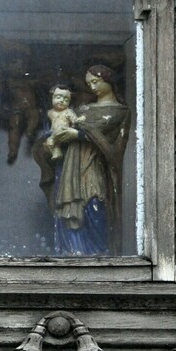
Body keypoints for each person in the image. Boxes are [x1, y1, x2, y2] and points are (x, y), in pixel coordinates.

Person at [33, 65, 130, 256]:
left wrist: (79, 134)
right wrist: (50, 143)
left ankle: (97, 255)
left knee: (95, 206)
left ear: (108, 81)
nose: (92, 87)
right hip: (70, 168)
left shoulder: (120, 112)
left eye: (96, 82)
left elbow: (116, 150)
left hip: (95, 167)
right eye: (88, 84)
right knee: (69, 209)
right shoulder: (81, 109)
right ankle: (72, 253)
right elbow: (56, 132)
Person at [45, 86, 84, 161]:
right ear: (52, 98)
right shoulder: (50, 112)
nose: (62, 100)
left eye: (66, 99)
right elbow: (46, 124)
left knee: (60, 128)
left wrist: (79, 119)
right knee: (53, 145)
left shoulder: (68, 112)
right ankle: (56, 152)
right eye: (58, 97)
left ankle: (52, 140)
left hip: (63, 132)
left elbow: (74, 120)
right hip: (52, 132)